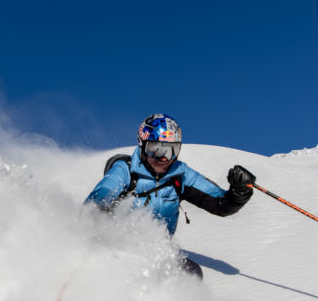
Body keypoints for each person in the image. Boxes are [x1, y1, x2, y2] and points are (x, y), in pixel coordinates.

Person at [85, 113, 256, 280]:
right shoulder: (126, 172)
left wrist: (239, 191)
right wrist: (94, 226)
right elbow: (98, 198)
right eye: (156, 149)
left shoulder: (180, 175)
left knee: (191, 274)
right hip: (116, 247)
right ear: (142, 145)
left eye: (171, 150)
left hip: (155, 253)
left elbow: (221, 205)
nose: (164, 158)